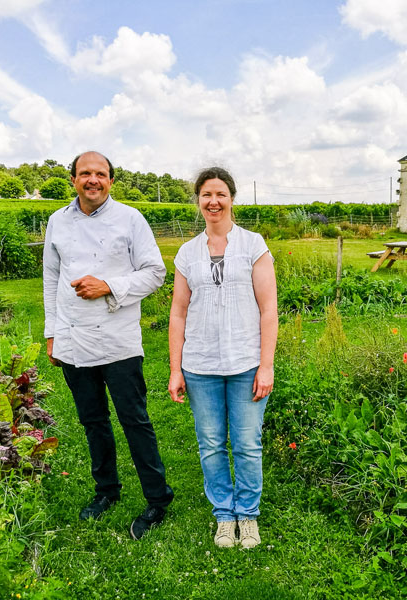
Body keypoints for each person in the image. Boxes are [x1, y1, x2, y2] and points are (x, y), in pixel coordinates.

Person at [43, 150, 173, 540]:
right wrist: (52, 333)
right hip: (73, 339)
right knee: (93, 422)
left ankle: (157, 498)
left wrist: (109, 286)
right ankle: (106, 491)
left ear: (111, 181)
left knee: (135, 420)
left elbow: (155, 273)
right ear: (73, 180)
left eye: (101, 174)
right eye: (85, 173)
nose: (93, 180)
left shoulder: (130, 219)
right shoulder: (57, 222)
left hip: (119, 341)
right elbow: (51, 278)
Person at [168, 167, 278, 549]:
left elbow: (268, 310)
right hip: (200, 366)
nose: (213, 201)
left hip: (246, 363)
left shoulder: (253, 245)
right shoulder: (187, 253)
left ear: (232, 198)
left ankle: (247, 515)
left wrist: (266, 365)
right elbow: (178, 313)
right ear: (198, 201)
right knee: (211, 444)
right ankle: (223, 515)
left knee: (247, 444)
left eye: (220, 194)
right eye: (206, 195)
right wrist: (175, 369)